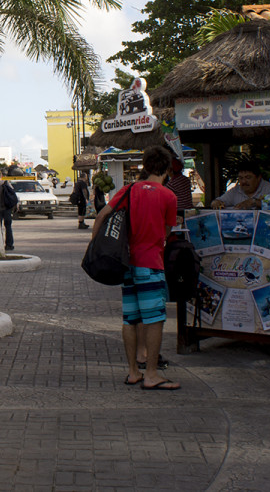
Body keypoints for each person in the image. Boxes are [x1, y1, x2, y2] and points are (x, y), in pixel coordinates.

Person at [92, 146, 179, 390]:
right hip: (151, 264)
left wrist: (94, 248)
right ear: (166, 167)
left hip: (127, 265)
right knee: (154, 320)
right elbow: (166, 232)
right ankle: (151, 374)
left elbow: (101, 216)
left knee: (130, 319)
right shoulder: (168, 196)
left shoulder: (129, 190)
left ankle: (133, 372)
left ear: (146, 165)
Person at [0, 179, 18, 251]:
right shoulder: (6, 183)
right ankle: (9, 245)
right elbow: (13, 195)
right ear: (1, 176)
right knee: (8, 227)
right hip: (7, 208)